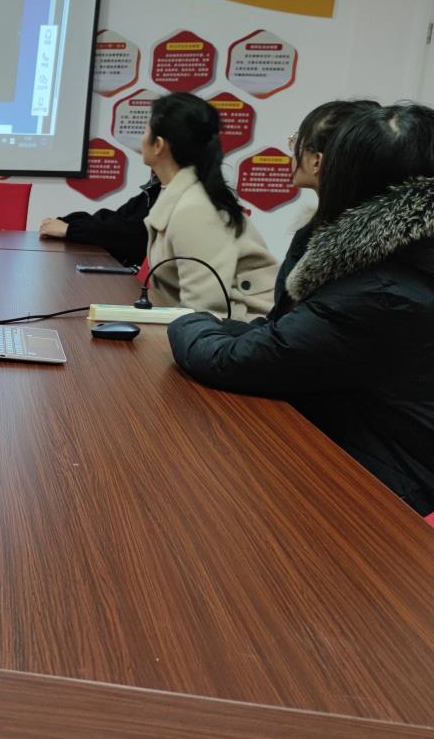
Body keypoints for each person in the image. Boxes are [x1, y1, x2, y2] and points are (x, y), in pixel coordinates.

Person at [168, 103, 434, 516]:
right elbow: (292, 335)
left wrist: (188, 321)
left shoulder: (379, 292)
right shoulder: (398, 261)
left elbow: (236, 361)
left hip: (387, 498)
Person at [139, 92, 277, 319]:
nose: (141, 139)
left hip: (241, 330)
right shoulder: (182, 195)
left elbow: (206, 310)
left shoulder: (193, 209)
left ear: (159, 145)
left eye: (145, 130)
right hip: (213, 328)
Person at [266, 99, 380, 318]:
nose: (292, 151)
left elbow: (292, 330)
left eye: (297, 141)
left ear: (317, 161)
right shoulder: (352, 229)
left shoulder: (348, 245)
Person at [37, 177, 161, 267]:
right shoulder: (153, 190)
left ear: (159, 149)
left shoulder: (166, 196)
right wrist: (66, 223)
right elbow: (112, 220)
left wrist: (69, 229)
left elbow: (130, 238)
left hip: (137, 284)